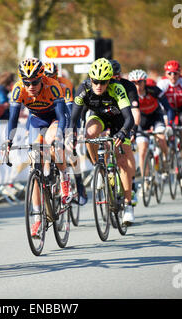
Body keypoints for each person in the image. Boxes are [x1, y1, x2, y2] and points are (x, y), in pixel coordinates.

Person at [4, 57, 71, 236]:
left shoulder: (53, 85)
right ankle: (37, 219)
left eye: (34, 82)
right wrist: (8, 142)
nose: (30, 86)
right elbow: (12, 119)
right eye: (27, 82)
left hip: (56, 117)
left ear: (42, 78)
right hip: (36, 120)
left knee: (52, 143)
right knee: (34, 163)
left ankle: (65, 177)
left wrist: (58, 137)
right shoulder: (18, 89)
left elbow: (62, 117)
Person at [70, 58, 136, 224]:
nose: (99, 85)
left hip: (118, 120)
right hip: (99, 117)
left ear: (110, 80)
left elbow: (130, 118)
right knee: (89, 134)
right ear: (90, 79)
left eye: (103, 81)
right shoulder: (83, 88)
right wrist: (71, 135)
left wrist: (122, 133)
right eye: (96, 81)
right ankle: (99, 168)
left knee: (122, 162)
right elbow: (73, 118)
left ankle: (128, 205)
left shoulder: (117, 88)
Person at [43, 61, 88, 206]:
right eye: (47, 76)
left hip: (66, 116)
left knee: (70, 150)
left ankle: (80, 184)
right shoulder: (39, 85)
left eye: (53, 75)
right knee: (43, 148)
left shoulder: (65, 84)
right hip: (49, 117)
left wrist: (73, 131)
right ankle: (48, 178)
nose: (50, 78)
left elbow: (70, 108)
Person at [128, 69, 172, 184]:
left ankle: (166, 160)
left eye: (140, 82)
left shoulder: (153, 90)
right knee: (142, 150)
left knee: (161, 139)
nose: (137, 86)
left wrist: (170, 123)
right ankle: (146, 179)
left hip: (156, 118)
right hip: (141, 121)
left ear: (145, 82)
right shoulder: (129, 95)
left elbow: (167, 107)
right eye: (134, 83)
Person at [157, 60, 182, 187]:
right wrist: (165, 119)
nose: (173, 76)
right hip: (167, 111)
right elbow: (158, 104)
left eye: (176, 73)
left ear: (180, 73)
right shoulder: (162, 83)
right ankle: (165, 160)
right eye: (170, 73)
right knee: (163, 133)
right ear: (166, 74)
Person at [110, 59, 140, 206]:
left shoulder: (128, 86)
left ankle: (131, 183)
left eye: (117, 76)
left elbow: (134, 111)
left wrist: (133, 128)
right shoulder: (101, 86)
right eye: (111, 77)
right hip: (106, 120)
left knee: (126, 153)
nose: (114, 79)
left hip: (124, 121)